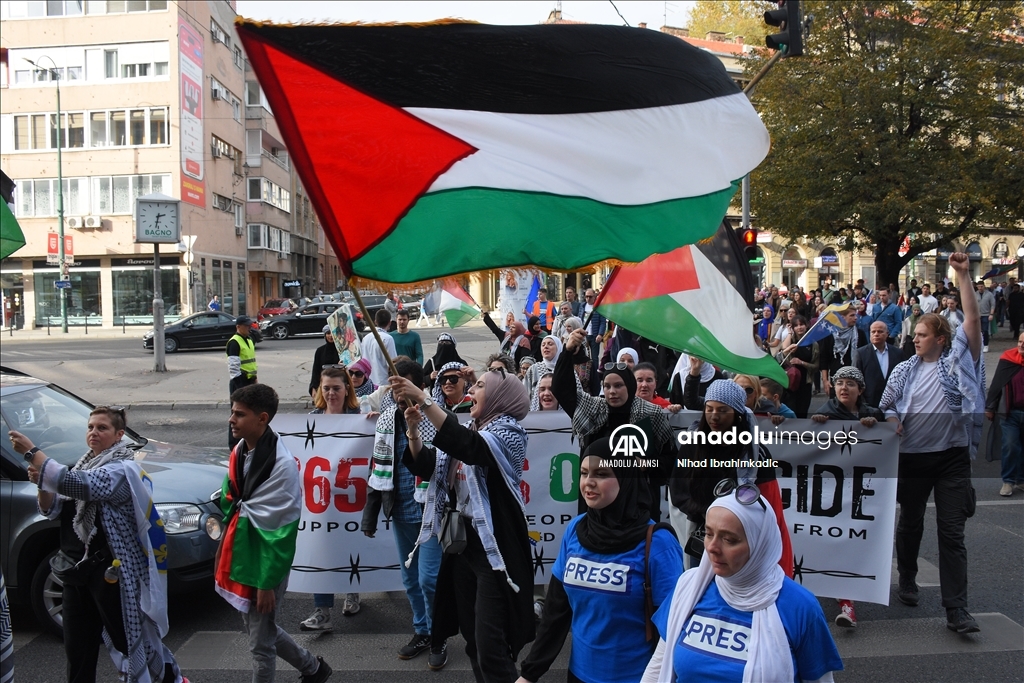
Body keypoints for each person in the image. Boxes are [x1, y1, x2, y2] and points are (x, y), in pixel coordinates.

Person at [11, 408, 187, 683]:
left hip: (111, 573)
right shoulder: (83, 464)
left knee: (129, 642)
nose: (94, 432)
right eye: (91, 427)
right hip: (75, 573)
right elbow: (51, 509)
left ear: (118, 436)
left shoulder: (123, 470)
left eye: (102, 428)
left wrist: (32, 452)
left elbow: (76, 485)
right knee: (78, 651)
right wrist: (42, 483)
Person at [394, 367, 535, 682]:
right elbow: (428, 465)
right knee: (473, 642)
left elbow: (471, 448)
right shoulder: (471, 427)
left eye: (480, 385)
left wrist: (423, 397)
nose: (471, 390)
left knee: (492, 648)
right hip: (461, 546)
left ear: (501, 396)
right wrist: (414, 431)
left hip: (494, 550)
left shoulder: (508, 432)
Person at [880, 251, 985, 634]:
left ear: (941, 339)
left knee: (952, 534)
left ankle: (957, 609)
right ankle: (907, 575)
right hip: (912, 460)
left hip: (952, 460)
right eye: (915, 335)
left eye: (922, 335)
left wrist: (963, 274)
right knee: (910, 524)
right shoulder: (904, 370)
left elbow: (972, 320)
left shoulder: (960, 361)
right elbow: (886, 406)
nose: (915, 340)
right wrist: (892, 421)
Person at [516, 441, 684, 683]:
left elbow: (671, 628)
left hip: (637, 677)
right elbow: (556, 611)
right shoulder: (576, 528)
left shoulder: (658, 543)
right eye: (584, 473)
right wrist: (529, 674)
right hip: (578, 674)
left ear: (626, 477)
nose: (588, 482)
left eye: (602, 473)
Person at [641, 493, 842, 683]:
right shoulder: (688, 588)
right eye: (709, 533)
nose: (712, 547)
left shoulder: (799, 607)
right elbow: (658, 668)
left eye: (729, 539)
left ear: (759, 545)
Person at [216, 385, 332, 683]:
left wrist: (266, 584)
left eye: (239, 414)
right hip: (244, 553)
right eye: (232, 411)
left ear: (262, 419)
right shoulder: (241, 450)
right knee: (261, 630)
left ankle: (313, 669)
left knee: (259, 644)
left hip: (266, 566)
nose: (232, 419)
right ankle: (313, 668)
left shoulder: (281, 466)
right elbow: (233, 495)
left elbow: (280, 534)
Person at [361, 360, 447, 668]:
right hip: (399, 510)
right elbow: (377, 469)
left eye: (403, 387)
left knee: (429, 579)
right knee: (410, 579)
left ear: (418, 387)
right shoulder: (385, 419)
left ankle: (439, 635)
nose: (398, 394)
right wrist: (370, 515)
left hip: (432, 511)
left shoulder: (435, 418)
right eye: (393, 387)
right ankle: (422, 631)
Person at [669, 380, 793, 576]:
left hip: (742, 543)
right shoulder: (692, 446)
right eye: (709, 409)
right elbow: (678, 490)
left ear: (737, 414)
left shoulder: (755, 454)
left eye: (723, 410)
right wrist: (708, 516)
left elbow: (768, 505)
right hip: (701, 539)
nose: (714, 416)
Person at [553, 328, 676, 521]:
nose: (612, 392)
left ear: (630, 386)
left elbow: (671, 460)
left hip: (638, 505)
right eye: (607, 386)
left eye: (618, 386)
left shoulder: (651, 414)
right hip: (596, 506)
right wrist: (568, 351)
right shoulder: (592, 409)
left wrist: (647, 464)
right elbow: (562, 389)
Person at [809, 365, 884, 629]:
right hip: (829, 493)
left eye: (850, 384)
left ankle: (846, 602)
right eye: (839, 382)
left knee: (847, 546)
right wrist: (817, 426)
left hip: (858, 495)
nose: (843, 387)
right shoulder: (824, 413)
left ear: (860, 390)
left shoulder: (873, 414)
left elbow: (887, 445)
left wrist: (875, 427)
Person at [300, 366, 364, 630]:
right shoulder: (312, 419)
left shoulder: (359, 417)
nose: (330, 393)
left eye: (336, 388)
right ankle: (322, 611)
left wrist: (374, 423)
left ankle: (353, 591)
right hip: (322, 499)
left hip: (352, 498)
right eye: (326, 388)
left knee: (350, 546)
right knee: (322, 551)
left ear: (347, 389)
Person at [985, 332, 1024, 497]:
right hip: (1010, 413)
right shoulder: (1008, 359)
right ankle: (1008, 481)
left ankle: (1021, 480)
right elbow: (996, 385)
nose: (1021, 345)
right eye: (1020, 341)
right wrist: (990, 407)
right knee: (1010, 445)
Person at [854, 321, 905, 409]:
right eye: (873, 332)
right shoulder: (861, 353)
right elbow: (856, 379)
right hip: (869, 404)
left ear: (887, 334)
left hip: (893, 404)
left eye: (880, 331)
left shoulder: (898, 353)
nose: (876, 334)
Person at [818, 304, 864, 397]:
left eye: (856, 315)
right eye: (852, 315)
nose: (855, 318)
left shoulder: (860, 334)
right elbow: (824, 358)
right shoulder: (830, 334)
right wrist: (825, 380)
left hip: (855, 377)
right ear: (842, 317)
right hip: (836, 377)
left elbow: (865, 356)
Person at [779, 316, 819, 418]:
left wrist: (801, 362)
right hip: (790, 382)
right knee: (790, 411)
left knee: (802, 412)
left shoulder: (813, 344)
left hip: (805, 382)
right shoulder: (790, 340)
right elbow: (784, 350)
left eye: (801, 324)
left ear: (806, 326)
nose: (799, 327)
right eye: (796, 325)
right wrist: (789, 332)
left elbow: (816, 366)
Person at [360, 310, 398, 387]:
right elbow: (392, 364)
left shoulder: (366, 338)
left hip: (367, 382)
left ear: (375, 322)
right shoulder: (388, 339)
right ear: (389, 323)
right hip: (383, 383)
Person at [582, 288, 608, 394]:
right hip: (584, 336)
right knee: (585, 357)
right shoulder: (582, 306)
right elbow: (580, 319)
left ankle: (596, 377)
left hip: (594, 336)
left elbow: (603, 322)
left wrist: (600, 334)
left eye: (590, 296)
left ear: (595, 296)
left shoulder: (598, 307)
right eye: (586, 296)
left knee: (595, 358)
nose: (588, 299)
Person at [523, 335, 562, 404]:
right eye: (543, 345)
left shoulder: (566, 368)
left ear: (558, 347)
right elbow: (525, 393)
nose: (546, 347)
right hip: (537, 413)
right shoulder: (534, 369)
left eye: (550, 344)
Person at [309, 326, 340, 398]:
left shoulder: (343, 350)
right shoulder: (320, 351)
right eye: (328, 333)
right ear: (325, 335)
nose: (330, 336)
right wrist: (314, 387)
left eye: (332, 333)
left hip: (339, 384)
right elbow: (316, 370)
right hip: (324, 385)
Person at [975, 281, 995, 352]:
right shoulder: (975, 294)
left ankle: (986, 345)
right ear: (977, 287)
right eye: (979, 286)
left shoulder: (989, 294)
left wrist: (991, 314)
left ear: (984, 286)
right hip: (977, 315)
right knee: (977, 331)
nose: (980, 288)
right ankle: (979, 345)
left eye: (981, 286)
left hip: (986, 314)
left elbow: (992, 305)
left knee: (985, 330)